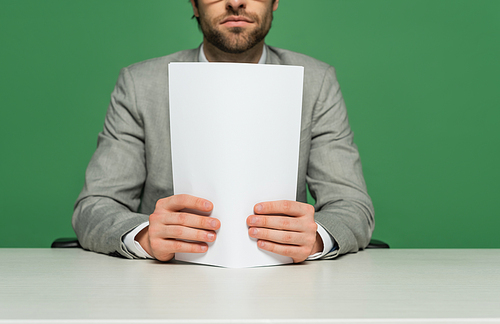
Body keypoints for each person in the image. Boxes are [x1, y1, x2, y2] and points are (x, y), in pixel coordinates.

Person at [72, 0, 375, 263]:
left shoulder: (316, 82)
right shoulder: (141, 85)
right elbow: (95, 206)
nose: (235, 2)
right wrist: (145, 236)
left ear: (275, 1)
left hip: (282, 283)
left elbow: (351, 205)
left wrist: (317, 237)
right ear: (194, 4)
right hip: (169, 283)